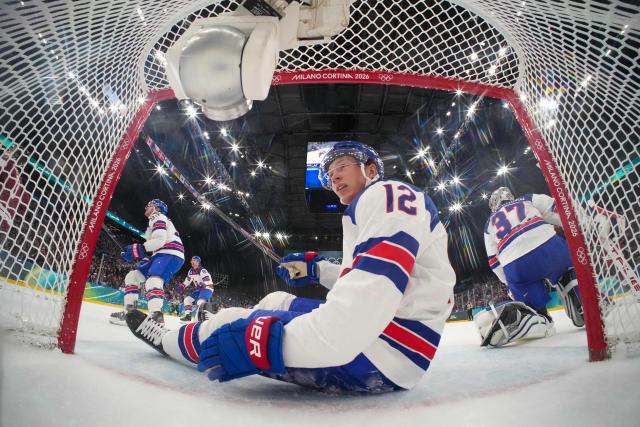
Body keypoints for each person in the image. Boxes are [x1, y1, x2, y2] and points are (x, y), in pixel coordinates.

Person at [125, 141, 455, 393]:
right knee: (275, 302)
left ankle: (168, 341)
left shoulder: (383, 195)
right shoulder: (377, 206)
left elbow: (355, 318)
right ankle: (219, 325)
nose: (333, 176)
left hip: (378, 355)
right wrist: (317, 270)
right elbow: (373, 282)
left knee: (230, 323)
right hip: (390, 340)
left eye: (342, 165)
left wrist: (263, 342)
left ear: (370, 169)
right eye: (329, 174)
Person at [476, 187, 584, 347]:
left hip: (516, 265)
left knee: (534, 309)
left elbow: (493, 261)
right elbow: (559, 209)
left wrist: (511, 283)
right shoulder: (527, 198)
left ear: (493, 205)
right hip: (550, 247)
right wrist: (582, 224)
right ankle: (577, 295)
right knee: (569, 268)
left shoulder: (488, 224)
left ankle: (538, 318)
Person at [109, 199, 184, 325]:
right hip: (161, 254)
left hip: (170, 253)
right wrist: (141, 257)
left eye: (149, 205)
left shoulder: (158, 216)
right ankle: (129, 313)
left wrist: (138, 250)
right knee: (132, 276)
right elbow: (154, 247)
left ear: (157, 208)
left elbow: (160, 240)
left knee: (153, 281)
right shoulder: (152, 223)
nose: (146, 208)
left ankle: (156, 318)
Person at [178, 256, 215, 322]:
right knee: (187, 299)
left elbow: (207, 279)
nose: (192, 262)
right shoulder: (190, 271)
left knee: (200, 302)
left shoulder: (202, 270)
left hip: (207, 289)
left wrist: (203, 284)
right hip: (199, 289)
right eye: (192, 260)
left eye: (194, 260)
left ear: (198, 262)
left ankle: (202, 317)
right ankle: (188, 316)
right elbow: (188, 280)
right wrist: (183, 286)